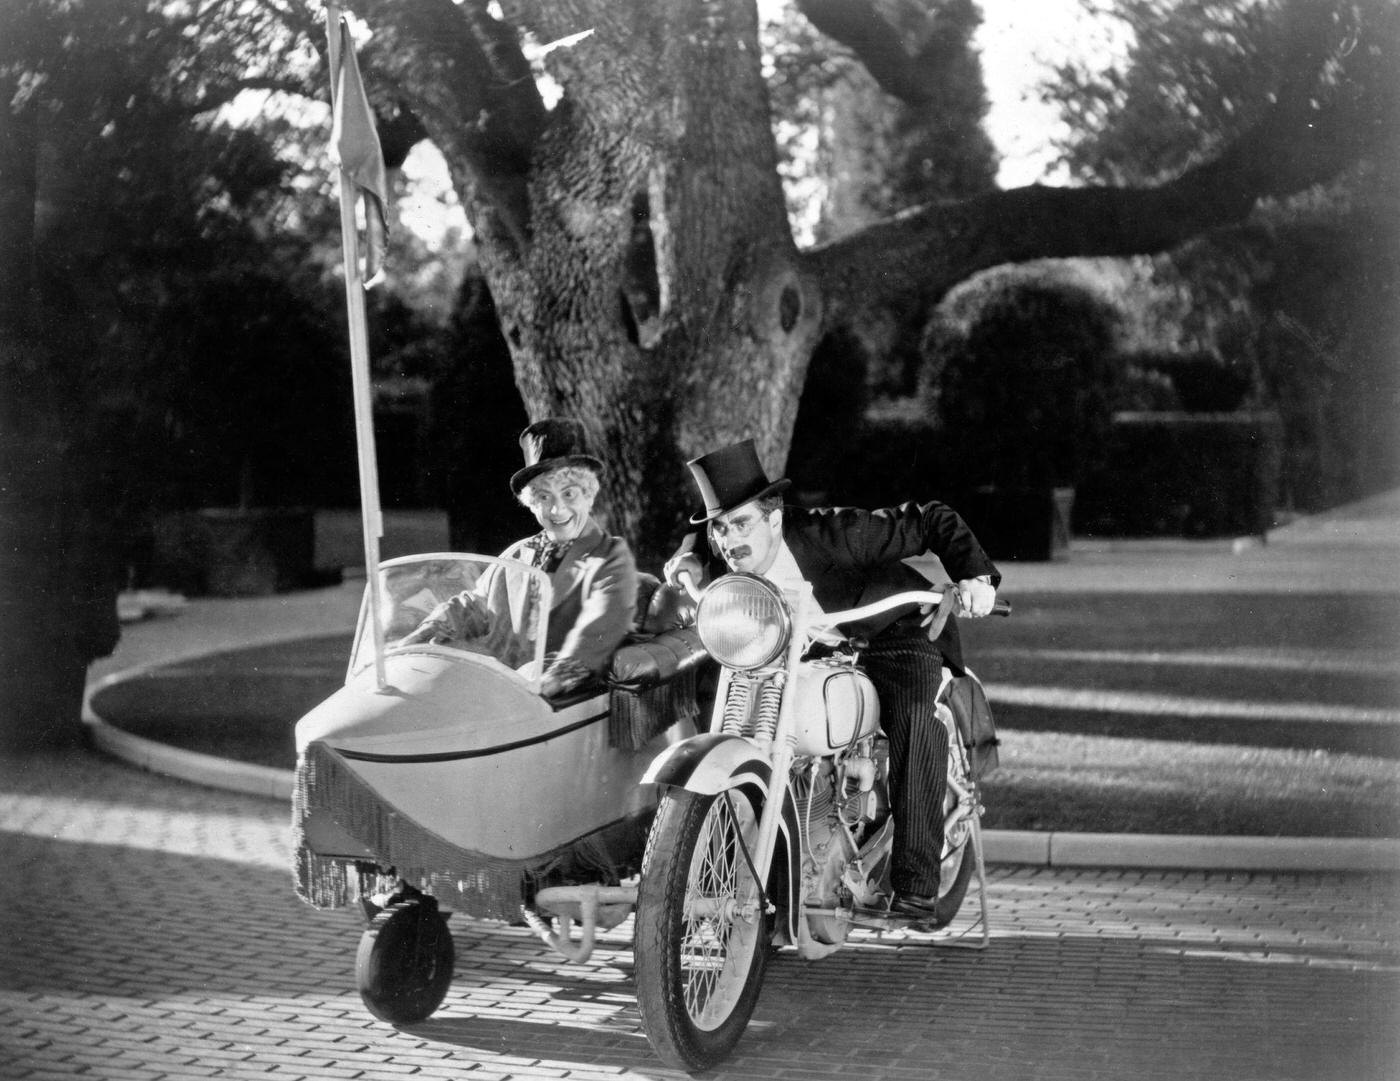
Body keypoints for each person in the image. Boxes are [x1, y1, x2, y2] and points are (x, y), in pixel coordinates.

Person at [665, 438, 1000, 920]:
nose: (728, 540)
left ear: (775, 518)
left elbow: (930, 519)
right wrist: (690, 554)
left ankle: (916, 884)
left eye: (740, 524)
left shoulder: (835, 534)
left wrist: (977, 581)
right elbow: (701, 536)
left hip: (892, 631)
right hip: (808, 645)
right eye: (719, 529)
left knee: (912, 717)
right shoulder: (729, 553)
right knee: (724, 695)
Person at [401, 418, 638, 698]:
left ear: (588, 496)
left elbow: (603, 623)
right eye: (544, 497)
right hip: (500, 691)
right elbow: (476, 604)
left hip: (563, 698)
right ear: (531, 504)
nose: (557, 509)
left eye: (569, 493)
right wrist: (423, 634)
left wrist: (553, 679)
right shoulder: (517, 553)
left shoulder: (610, 555)